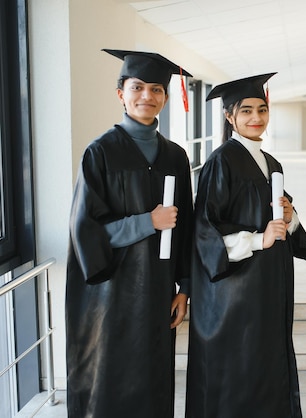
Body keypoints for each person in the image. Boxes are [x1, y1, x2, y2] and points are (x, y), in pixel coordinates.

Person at [66, 49, 193, 417]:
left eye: (156, 90)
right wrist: (146, 222)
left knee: (154, 379)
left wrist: (184, 287)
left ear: (166, 98)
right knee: (111, 381)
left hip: (157, 290)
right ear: (120, 92)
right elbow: (85, 232)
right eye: (137, 87)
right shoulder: (100, 153)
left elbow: (185, 229)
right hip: (111, 295)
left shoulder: (175, 156)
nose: (147, 97)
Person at [185, 73, 306, 418]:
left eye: (261, 109)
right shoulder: (221, 161)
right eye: (246, 111)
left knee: (267, 359)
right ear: (230, 117)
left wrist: (290, 216)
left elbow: (279, 223)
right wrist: (260, 239)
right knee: (242, 365)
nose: (256, 118)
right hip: (238, 289)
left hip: (269, 283)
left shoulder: (271, 163)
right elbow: (205, 230)